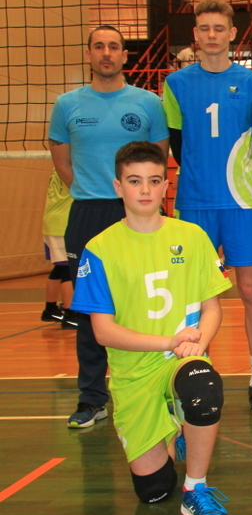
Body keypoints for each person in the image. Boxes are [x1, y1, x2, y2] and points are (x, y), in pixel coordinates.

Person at [72, 141, 232, 515]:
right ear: (118, 186)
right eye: (134, 181)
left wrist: (196, 344)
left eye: (154, 180)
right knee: (155, 491)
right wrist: (169, 341)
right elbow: (103, 332)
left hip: (183, 362)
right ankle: (175, 429)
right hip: (134, 374)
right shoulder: (100, 249)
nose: (145, 189)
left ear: (166, 185)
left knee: (203, 382)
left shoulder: (192, 236)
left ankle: (196, 488)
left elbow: (212, 309)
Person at [49, 24, 169, 428]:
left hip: (137, 213)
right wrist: (95, 193)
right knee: (89, 309)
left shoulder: (148, 103)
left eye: (114, 47)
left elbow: (156, 161)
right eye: (99, 46)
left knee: (147, 301)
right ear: (89, 54)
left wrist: (132, 199)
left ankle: (157, 388)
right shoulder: (67, 105)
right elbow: (63, 163)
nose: (106, 53)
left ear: (124, 55)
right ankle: (92, 398)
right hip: (88, 213)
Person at [162, 0, 252, 419]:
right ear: (196, 34)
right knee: (193, 295)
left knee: (251, 290)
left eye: (219, 28)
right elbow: (176, 143)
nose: (212, 35)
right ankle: (196, 373)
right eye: (205, 28)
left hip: (242, 202)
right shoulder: (176, 83)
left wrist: (239, 182)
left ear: (232, 34)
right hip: (195, 201)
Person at [41, 169, 75, 328]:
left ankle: (50, 309)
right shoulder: (70, 168)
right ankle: (70, 314)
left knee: (60, 268)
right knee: (68, 268)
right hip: (62, 225)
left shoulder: (57, 167)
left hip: (51, 222)